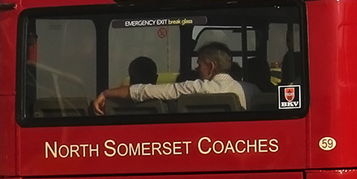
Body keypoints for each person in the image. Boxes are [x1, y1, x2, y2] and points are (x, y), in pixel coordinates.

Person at [93, 41, 245, 114]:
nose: (196, 69)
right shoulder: (251, 90)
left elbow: (146, 91)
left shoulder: (197, 87)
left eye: (199, 64)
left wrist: (106, 93)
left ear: (211, 67)